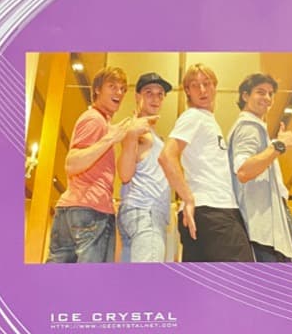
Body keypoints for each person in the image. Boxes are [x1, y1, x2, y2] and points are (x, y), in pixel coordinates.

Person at [45, 66, 153, 263]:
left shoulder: (100, 121)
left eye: (122, 89)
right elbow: (71, 163)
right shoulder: (95, 119)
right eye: (112, 86)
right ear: (97, 89)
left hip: (71, 210)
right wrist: (110, 139)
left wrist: (123, 130)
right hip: (91, 211)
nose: (119, 92)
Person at [159, 63, 253, 262]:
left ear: (215, 86)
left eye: (207, 83)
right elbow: (167, 156)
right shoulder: (194, 116)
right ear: (187, 91)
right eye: (195, 85)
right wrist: (188, 198)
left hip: (205, 215)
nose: (202, 90)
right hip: (214, 211)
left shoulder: (207, 121)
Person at [227, 73, 292, 262]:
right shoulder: (249, 126)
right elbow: (243, 170)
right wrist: (279, 145)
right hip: (264, 229)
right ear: (245, 96)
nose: (267, 98)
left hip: (266, 227)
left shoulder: (254, 127)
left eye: (270, 93)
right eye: (260, 92)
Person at [117, 72, 173, 263]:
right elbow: (125, 174)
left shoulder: (151, 133)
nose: (155, 98)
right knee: (148, 278)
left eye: (160, 94)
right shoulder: (135, 130)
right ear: (137, 96)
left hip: (142, 214)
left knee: (134, 279)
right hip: (145, 213)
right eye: (149, 92)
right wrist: (131, 135)